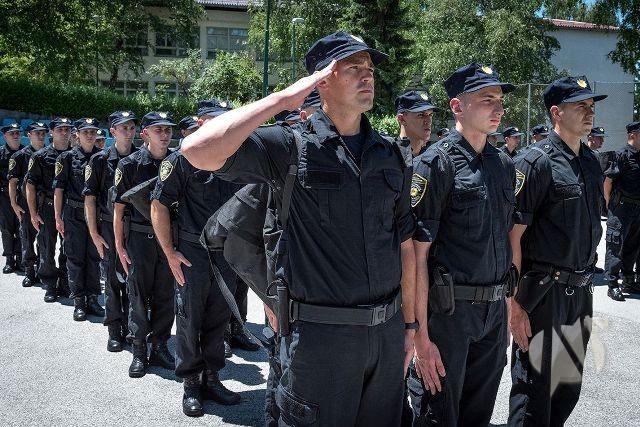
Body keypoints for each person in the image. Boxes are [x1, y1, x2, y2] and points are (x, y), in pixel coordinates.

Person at [181, 31, 417, 426]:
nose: (367, 76)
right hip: (320, 341)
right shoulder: (290, 146)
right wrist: (283, 100)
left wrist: (410, 326)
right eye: (353, 68)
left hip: (386, 335)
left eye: (370, 68)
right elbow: (196, 150)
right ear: (321, 80)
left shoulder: (390, 154)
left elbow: (404, 246)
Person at [408, 63, 516, 426]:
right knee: (439, 415)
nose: (498, 108)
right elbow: (416, 256)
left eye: (500, 100)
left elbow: (502, 237)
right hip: (449, 315)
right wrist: (420, 336)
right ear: (457, 107)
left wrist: (505, 307)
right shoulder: (435, 163)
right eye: (487, 99)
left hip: (492, 314)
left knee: (477, 415)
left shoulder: (502, 163)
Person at [508, 76, 606, 426]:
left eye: (591, 106)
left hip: (579, 293)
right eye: (580, 105)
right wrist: (514, 305)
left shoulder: (591, 163)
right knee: (534, 391)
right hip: (542, 295)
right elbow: (512, 236)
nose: (588, 112)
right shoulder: (534, 162)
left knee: (566, 389)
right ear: (555, 112)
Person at [151, 100, 244, 416]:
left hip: (225, 252)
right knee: (190, 318)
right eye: (217, 119)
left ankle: (212, 378)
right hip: (191, 252)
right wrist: (169, 253)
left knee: (219, 318)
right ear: (203, 122)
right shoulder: (183, 159)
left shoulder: (237, 157)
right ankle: (191, 384)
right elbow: (159, 205)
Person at [113, 112, 175, 378]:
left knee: (165, 294)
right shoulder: (129, 165)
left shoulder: (178, 162)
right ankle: (139, 349)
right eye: (158, 130)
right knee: (137, 294)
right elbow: (118, 209)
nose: (165, 135)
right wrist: (119, 244)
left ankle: (160, 346)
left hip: (169, 239)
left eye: (168, 130)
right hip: (138, 238)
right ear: (145, 134)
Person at [84, 111, 137, 351]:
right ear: (112, 132)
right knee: (113, 279)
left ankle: (134, 327)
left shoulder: (142, 157)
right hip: (107, 225)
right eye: (122, 127)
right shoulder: (100, 159)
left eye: (131, 126)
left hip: (137, 227)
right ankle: (115, 328)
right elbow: (90, 198)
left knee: (137, 280)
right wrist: (94, 233)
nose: (128, 131)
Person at [53, 118, 103, 321]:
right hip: (73, 214)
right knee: (75, 258)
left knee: (93, 257)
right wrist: (58, 217)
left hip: (96, 216)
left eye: (93, 132)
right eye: (85, 132)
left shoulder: (102, 157)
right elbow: (58, 190)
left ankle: (92, 298)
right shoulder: (66, 158)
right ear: (77, 135)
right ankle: (79, 302)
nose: (90, 135)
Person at [25, 117, 71, 302]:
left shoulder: (75, 155)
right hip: (47, 208)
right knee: (46, 247)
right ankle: (50, 284)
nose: (64, 132)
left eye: (67, 129)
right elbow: (30, 186)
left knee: (69, 248)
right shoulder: (40, 156)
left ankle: (66, 281)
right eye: (60, 129)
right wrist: (33, 212)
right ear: (51, 132)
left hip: (70, 209)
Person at [603, 121, 640, 301]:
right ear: (632, 135)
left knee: (633, 246)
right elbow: (608, 182)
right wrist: (610, 205)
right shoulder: (621, 155)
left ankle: (628, 280)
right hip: (621, 208)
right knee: (615, 245)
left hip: (637, 208)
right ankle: (612, 284)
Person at [8, 122, 47, 287]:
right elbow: (13, 182)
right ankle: (30, 272)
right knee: (27, 238)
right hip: (26, 202)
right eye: (36, 133)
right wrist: (14, 204)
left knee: (46, 240)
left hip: (45, 203)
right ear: (29, 135)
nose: (40, 136)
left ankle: (44, 270)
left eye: (42, 133)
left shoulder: (49, 154)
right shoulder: (19, 156)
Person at [0, 123, 24, 273]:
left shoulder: (25, 152)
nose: (15, 136)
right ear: (5, 136)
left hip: (22, 196)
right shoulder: (0, 154)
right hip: (4, 197)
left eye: (17, 133)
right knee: (7, 228)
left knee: (22, 227)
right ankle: (9, 259)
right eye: (12, 134)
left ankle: (21, 258)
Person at [395, 90, 439, 156]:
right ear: (402, 119)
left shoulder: (435, 157)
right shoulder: (390, 157)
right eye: (420, 115)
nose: (429, 121)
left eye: (430, 115)